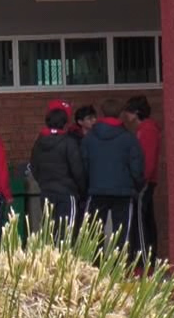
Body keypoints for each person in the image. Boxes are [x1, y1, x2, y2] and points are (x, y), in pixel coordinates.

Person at [82, 100, 145, 252]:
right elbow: (136, 167)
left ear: (102, 113)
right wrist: (137, 186)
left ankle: (93, 265)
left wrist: (87, 185)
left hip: (96, 190)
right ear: (120, 114)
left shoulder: (89, 138)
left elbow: (83, 165)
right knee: (122, 235)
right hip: (123, 191)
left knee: (93, 234)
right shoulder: (129, 138)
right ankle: (119, 265)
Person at [30, 104, 85, 234]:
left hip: (46, 191)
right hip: (67, 192)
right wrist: (82, 190)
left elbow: (34, 166)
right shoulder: (69, 142)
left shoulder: (39, 142)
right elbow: (78, 170)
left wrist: (43, 182)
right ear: (65, 123)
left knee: (49, 231)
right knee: (67, 232)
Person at [122, 95, 162, 261]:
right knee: (145, 220)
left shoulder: (147, 130)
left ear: (136, 113)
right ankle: (147, 257)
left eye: (129, 112)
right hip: (146, 180)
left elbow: (147, 160)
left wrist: (141, 180)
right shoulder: (145, 129)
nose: (126, 116)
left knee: (140, 222)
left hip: (144, 182)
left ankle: (143, 259)